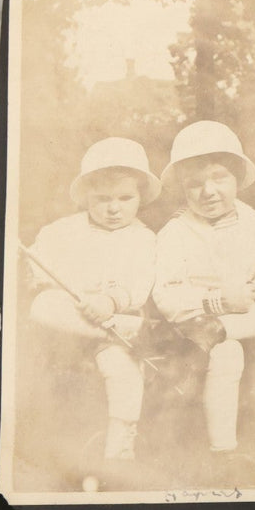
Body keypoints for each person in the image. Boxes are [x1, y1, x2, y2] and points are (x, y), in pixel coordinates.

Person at [152, 120, 255, 456]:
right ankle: (223, 450)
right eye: (195, 184)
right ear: (182, 188)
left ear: (237, 179)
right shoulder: (175, 232)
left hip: (243, 317)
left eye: (219, 178)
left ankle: (220, 331)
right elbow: (166, 294)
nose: (208, 191)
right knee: (228, 354)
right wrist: (217, 301)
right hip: (196, 322)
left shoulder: (254, 222)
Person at [25, 137, 160, 461]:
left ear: (140, 197)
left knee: (124, 369)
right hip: (73, 324)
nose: (114, 208)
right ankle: (123, 331)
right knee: (41, 306)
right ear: (86, 197)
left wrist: (110, 302)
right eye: (102, 199)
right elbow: (40, 270)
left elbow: (140, 284)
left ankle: (120, 447)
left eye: (125, 198)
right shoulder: (61, 231)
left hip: (116, 322)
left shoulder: (144, 239)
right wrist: (66, 292)